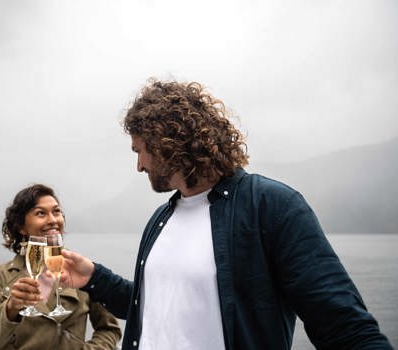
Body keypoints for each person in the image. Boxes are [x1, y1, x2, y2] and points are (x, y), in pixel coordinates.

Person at [59, 79, 392, 349]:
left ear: (166, 140)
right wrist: (94, 278)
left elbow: (343, 327)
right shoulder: (161, 220)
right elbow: (154, 304)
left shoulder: (272, 207)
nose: (139, 165)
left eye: (140, 151)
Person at [0, 184, 122, 350]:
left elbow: (109, 328)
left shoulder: (81, 269)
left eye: (56, 211)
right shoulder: (4, 274)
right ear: (21, 227)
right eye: (41, 213)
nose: (53, 220)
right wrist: (10, 308)